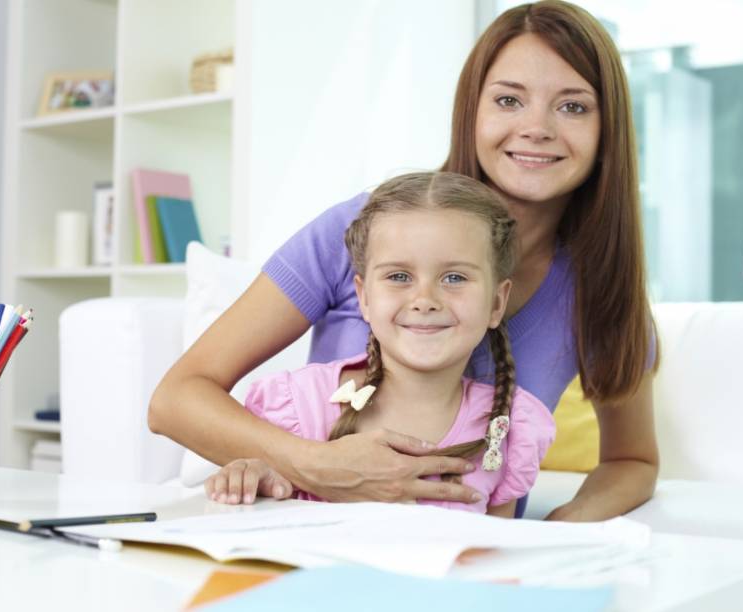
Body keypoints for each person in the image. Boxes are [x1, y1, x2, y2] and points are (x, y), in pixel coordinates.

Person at [149, 0, 659, 521]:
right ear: (472, 111)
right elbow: (176, 399)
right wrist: (317, 465)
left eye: (572, 106)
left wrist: (559, 531)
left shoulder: (600, 287)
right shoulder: (365, 227)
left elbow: (631, 460)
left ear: (607, 130)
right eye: (508, 100)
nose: (537, 127)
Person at [203, 172, 555, 516]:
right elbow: (256, 524)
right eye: (399, 276)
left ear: (496, 303)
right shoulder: (297, 406)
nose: (425, 299)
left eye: (454, 277)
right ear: (364, 297)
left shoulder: (511, 427)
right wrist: (244, 481)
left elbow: (495, 560)